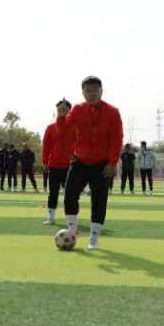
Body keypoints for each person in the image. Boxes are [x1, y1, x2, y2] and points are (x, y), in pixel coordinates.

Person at [56, 76, 123, 250]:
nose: (91, 93)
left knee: (99, 200)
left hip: (102, 163)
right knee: (69, 194)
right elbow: (63, 131)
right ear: (83, 93)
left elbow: (117, 139)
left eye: (95, 90)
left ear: (101, 91)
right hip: (79, 160)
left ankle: (94, 237)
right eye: (88, 90)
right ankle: (72, 231)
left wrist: (112, 162)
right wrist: (61, 116)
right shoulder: (77, 110)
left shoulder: (113, 112)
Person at [42, 99, 76, 224]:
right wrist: (45, 161)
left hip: (70, 166)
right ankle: (51, 217)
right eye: (59, 109)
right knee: (53, 192)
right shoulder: (51, 128)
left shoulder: (75, 127)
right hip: (54, 165)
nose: (61, 111)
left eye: (64, 109)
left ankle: (71, 219)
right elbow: (46, 146)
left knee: (70, 194)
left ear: (69, 111)